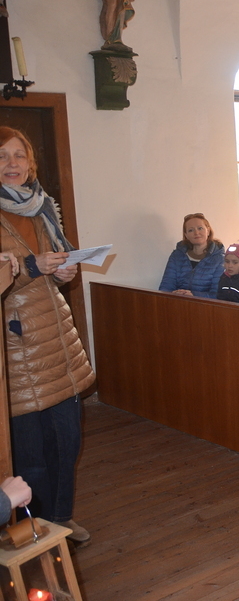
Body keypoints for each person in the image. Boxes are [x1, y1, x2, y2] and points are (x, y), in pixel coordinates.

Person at [0, 126, 95, 545]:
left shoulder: (41, 207)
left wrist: (62, 271)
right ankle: (31, 529)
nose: (13, 164)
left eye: (19, 155)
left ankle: (61, 518)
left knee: (67, 442)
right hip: (17, 350)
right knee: (31, 457)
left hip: (58, 340)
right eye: (2, 156)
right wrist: (32, 267)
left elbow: (52, 262)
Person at [158, 213, 225, 298]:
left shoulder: (220, 259)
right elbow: (166, 287)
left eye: (200, 228)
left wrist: (193, 295)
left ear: (208, 231)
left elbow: (218, 295)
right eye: (191, 230)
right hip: (177, 302)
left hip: (204, 305)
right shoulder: (177, 256)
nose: (196, 233)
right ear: (186, 235)